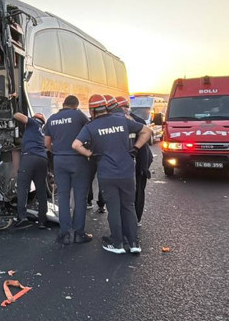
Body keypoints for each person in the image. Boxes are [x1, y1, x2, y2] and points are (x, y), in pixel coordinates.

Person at [72, 94, 152, 254]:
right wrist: (135, 149)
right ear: (107, 108)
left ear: (92, 110)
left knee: (114, 208)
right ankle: (134, 243)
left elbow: (76, 145)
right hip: (127, 172)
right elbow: (147, 131)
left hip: (107, 173)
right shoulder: (122, 120)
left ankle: (117, 244)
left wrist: (89, 154)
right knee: (128, 206)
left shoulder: (90, 126)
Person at [43, 95, 92, 245]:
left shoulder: (52, 118)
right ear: (75, 105)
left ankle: (64, 233)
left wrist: (57, 151)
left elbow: (47, 144)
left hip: (59, 160)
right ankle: (79, 233)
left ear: (63, 104)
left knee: (63, 197)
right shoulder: (79, 116)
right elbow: (89, 133)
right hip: (78, 160)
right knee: (79, 197)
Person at [116, 96, 154, 226]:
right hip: (131, 161)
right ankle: (129, 218)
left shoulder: (135, 121)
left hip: (140, 160)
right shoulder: (126, 120)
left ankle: (136, 218)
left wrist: (143, 167)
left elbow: (144, 146)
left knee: (138, 189)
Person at [12, 112, 49, 229]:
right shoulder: (42, 132)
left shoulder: (33, 123)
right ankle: (42, 220)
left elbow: (17, 115)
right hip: (42, 159)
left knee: (23, 187)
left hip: (29, 158)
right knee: (41, 189)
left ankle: (22, 217)